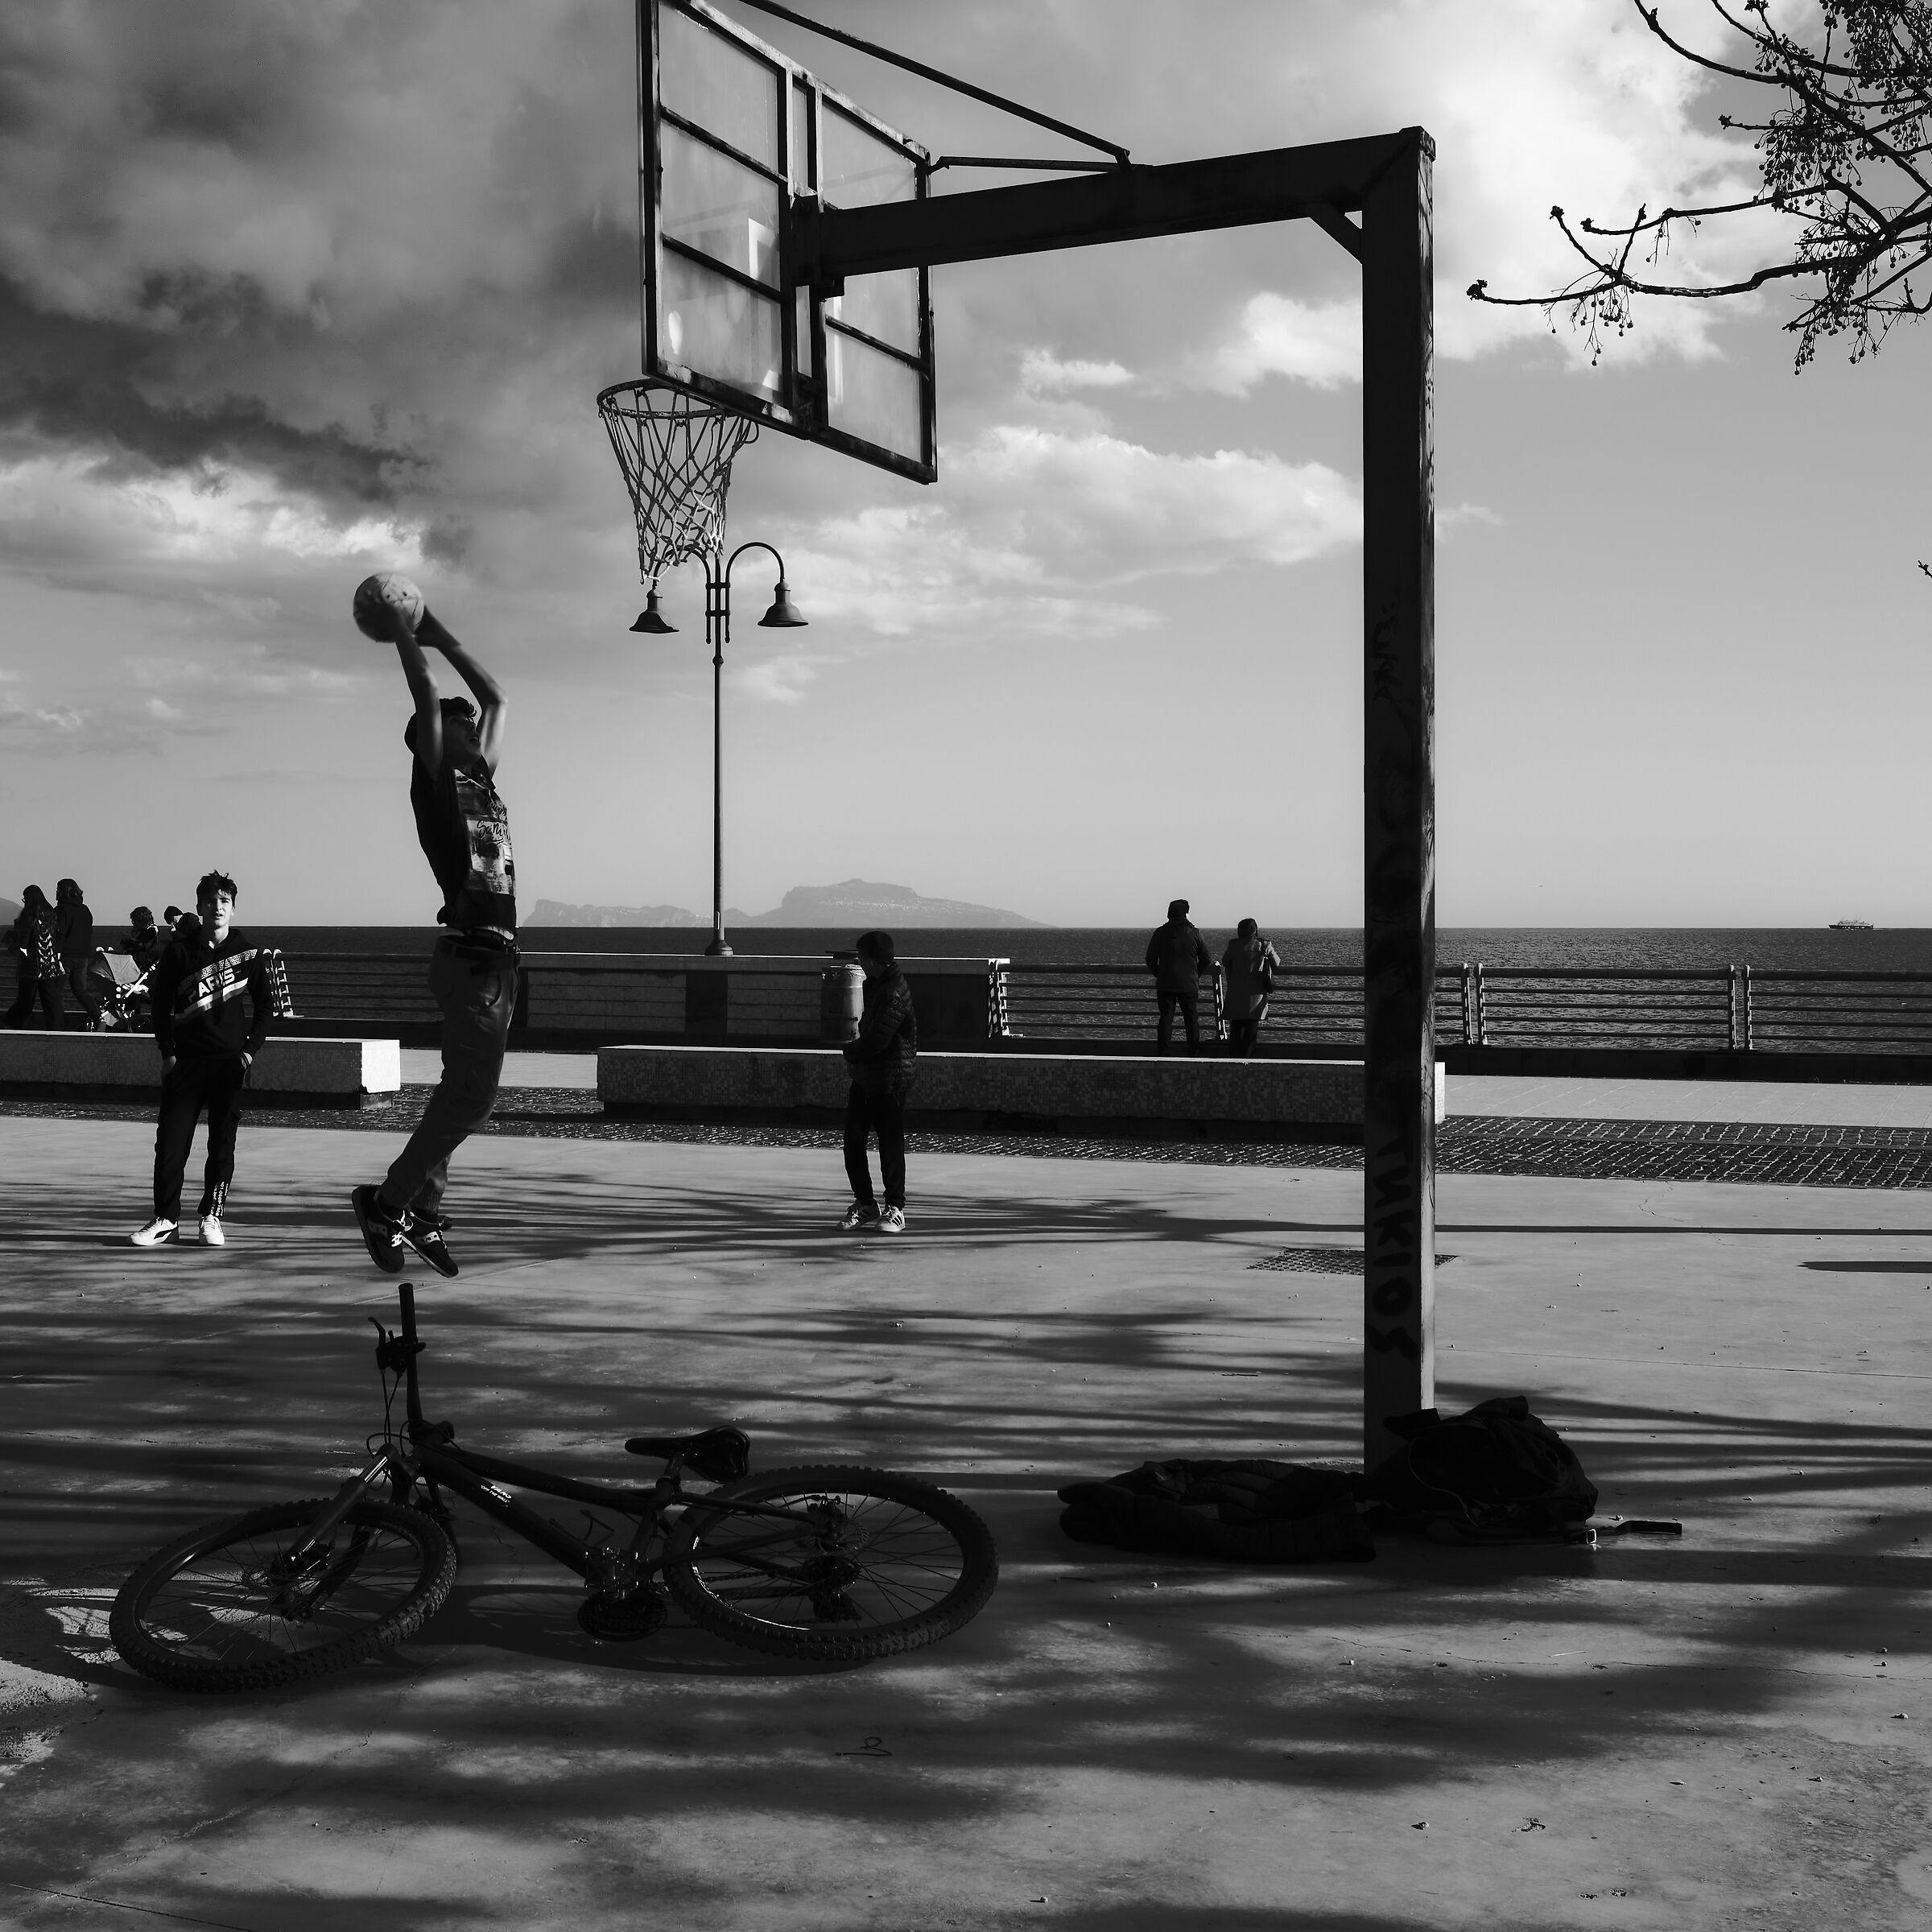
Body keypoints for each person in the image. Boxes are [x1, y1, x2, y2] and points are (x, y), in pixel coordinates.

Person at [351, 594, 514, 1280]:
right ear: (435, 738)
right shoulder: (437, 780)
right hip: (472, 958)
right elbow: (424, 691)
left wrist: (440, 632)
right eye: (460, 722)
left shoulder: (480, 778)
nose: (474, 724)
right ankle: (388, 1203)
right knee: (471, 1099)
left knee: (459, 1094)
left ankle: (421, 1208)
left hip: (495, 962)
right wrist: (402, 628)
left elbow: (496, 697)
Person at [130, 870, 275, 1249]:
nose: (217, 907)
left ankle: (212, 1216)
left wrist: (249, 1052)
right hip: (186, 1064)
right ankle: (165, 1219)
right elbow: (160, 1006)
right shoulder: (179, 952)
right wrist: (168, 1052)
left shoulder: (250, 954)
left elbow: (266, 1007)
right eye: (211, 901)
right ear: (199, 907)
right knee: (171, 1144)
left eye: (224, 901)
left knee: (222, 1144)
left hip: (229, 1065)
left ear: (233, 908)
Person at [838, 930, 917, 1233]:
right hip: (867, 1077)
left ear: (871, 960)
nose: (858, 962)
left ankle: (896, 1208)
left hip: (890, 1079)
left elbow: (878, 1039)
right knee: (853, 1140)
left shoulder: (894, 991)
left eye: (860, 957)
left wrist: (850, 1051)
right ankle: (865, 1203)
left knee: (890, 1144)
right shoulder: (875, 985)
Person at [1143, 898, 1212, 1053]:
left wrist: (1160, 974)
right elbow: (1207, 958)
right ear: (1186, 914)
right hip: (1189, 983)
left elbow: (1150, 959)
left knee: (1166, 1017)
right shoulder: (1194, 934)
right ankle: (1193, 1052)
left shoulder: (1160, 933)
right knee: (1191, 1018)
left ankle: (1163, 1052)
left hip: (1166, 983)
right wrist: (1196, 974)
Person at [4, 886, 64, 1030]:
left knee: (25, 1000)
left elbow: (24, 939)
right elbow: (58, 937)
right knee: (50, 1000)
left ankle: (10, 1024)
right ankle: (56, 1028)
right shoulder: (51, 914)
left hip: (31, 966)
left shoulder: (29, 915)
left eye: (25, 899)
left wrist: (16, 946)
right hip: (49, 964)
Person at [1220, 917, 1282, 1055]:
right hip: (1256, 995)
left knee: (1236, 1029)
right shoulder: (1264, 945)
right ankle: (1247, 1059)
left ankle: (1233, 1059)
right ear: (1255, 930)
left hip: (1236, 994)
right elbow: (1277, 962)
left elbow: (1226, 961)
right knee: (1251, 1031)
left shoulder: (1234, 945)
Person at [54, 878, 100, 1029]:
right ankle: (99, 1019)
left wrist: (57, 955)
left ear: (64, 891)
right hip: (83, 956)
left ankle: (57, 1024)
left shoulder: (61, 910)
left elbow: (60, 934)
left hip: (66, 956)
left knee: (55, 992)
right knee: (81, 992)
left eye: (58, 889)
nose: (56, 892)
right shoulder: (85, 910)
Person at [126, 907, 165, 976]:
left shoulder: (151, 931)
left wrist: (130, 939)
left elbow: (144, 946)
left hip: (143, 964)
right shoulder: (140, 930)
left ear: (142, 920)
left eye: (135, 921)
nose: (133, 923)